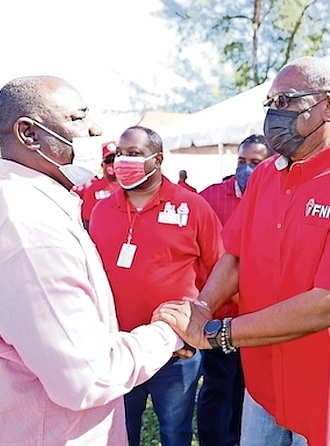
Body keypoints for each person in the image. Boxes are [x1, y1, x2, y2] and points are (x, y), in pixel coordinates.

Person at [154, 56, 330, 446]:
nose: (274, 113)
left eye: (286, 100)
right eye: (270, 103)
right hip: (264, 378)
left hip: (327, 385)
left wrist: (219, 333)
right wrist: (201, 309)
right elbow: (235, 254)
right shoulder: (267, 174)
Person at [0, 76, 185, 446]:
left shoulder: (20, 199)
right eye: (78, 117)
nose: (95, 129)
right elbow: (85, 375)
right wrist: (170, 332)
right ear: (29, 134)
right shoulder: (28, 223)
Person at [88, 125, 224, 446]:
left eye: (133, 154)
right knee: (120, 430)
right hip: (118, 346)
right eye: (119, 154)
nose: (122, 161)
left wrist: (198, 324)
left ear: (158, 159)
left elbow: (219, 268)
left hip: (175, 348)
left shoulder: (192, 207)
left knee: (175, 431)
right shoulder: (102, 209)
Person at [197, 133, 273, 446]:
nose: (246, 168)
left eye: (255, 162)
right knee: (218, 386)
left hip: (262, 318)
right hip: (219, 313)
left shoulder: (278, 197)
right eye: (241, 161)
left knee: (251, 388)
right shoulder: (210, 197)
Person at [73, 140, 120, 230]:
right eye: (109, 159)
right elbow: (87, 219)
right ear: (102, 164)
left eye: (116, 158)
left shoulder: (131, 185)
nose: (113, 163)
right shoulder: (94, 188)